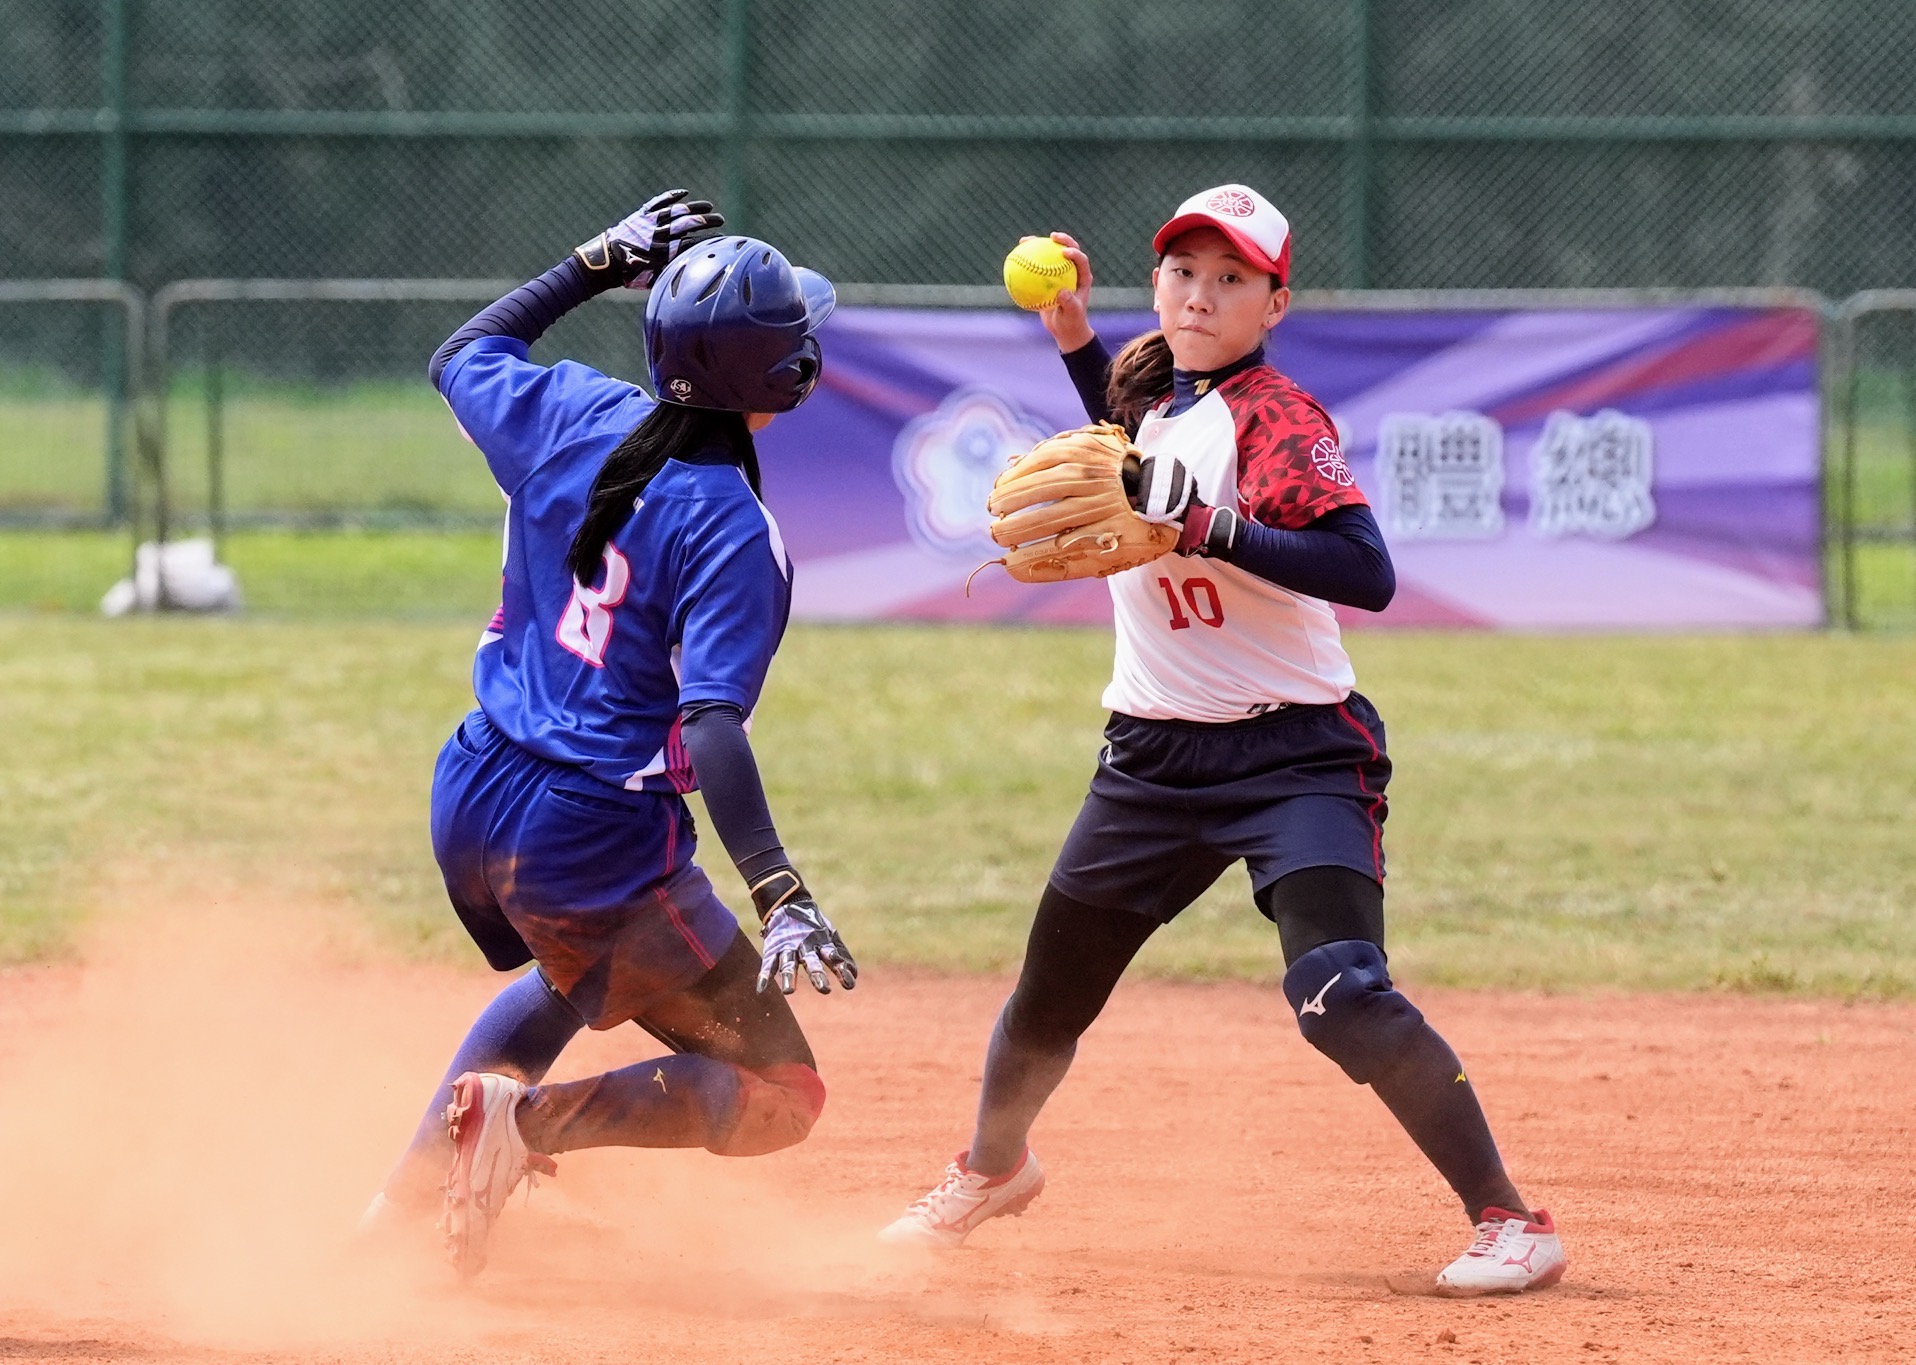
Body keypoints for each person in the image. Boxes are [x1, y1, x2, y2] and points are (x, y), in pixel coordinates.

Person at [879, 184, 1565, 1296]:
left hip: (1293, 753)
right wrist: (1070, 341)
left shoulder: (1277, 418)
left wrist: (1206, 526)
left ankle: (1509, 1219)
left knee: (1340, 992)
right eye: (1182, 273)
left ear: (1272, 302)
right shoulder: (1150, 387)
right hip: (1150, 756)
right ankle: (990, 1170)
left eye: (1229, 279)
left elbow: (1364, 571)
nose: (1200, 296)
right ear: (1156, 285)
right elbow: (1132, 426)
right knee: (1047, 998)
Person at [362, 192, 858, 1279]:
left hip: (476, 785)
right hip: (586, 833)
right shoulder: (734, 526)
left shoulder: (575, 410)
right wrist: (777, 887)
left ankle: (404, 1208)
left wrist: (593, 262)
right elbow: (711, 721)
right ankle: (514, 1138)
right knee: (786, 1095)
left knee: (572, 971)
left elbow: (464, 351)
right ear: (786, 379)